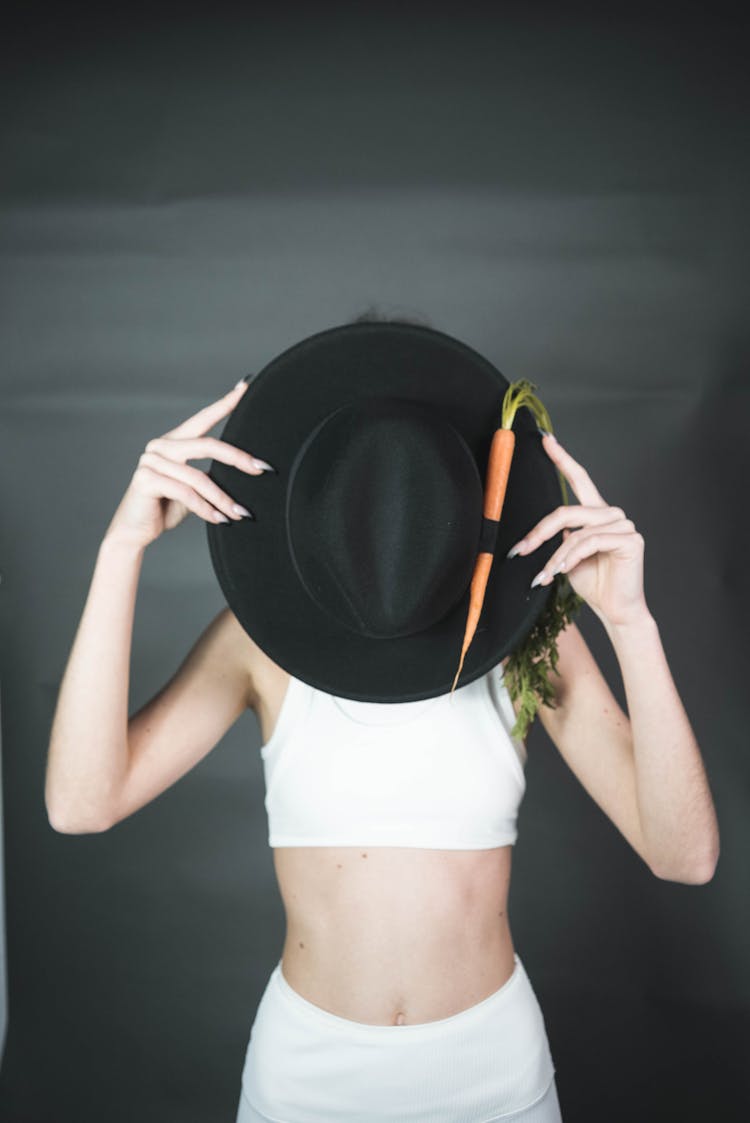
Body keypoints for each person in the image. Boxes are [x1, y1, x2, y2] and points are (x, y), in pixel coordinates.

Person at [45, 312, 720, 1123]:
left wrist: (632, 626)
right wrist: (120, 552)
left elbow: (685, 855)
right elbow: (82, 803)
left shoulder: (524, 637)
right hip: (305, 1082)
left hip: (495, 1081)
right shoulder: (259, 645)